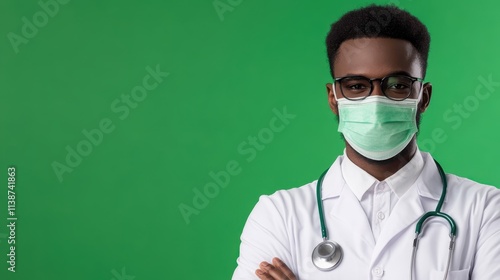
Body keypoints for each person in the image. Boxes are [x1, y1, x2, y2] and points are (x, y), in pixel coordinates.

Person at [231, 4, 500, 280]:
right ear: (333, 97)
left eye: (396, 85)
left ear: (424, 97)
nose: (375, 101)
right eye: (356, 86)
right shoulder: (279, 215)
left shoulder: (485, 209)